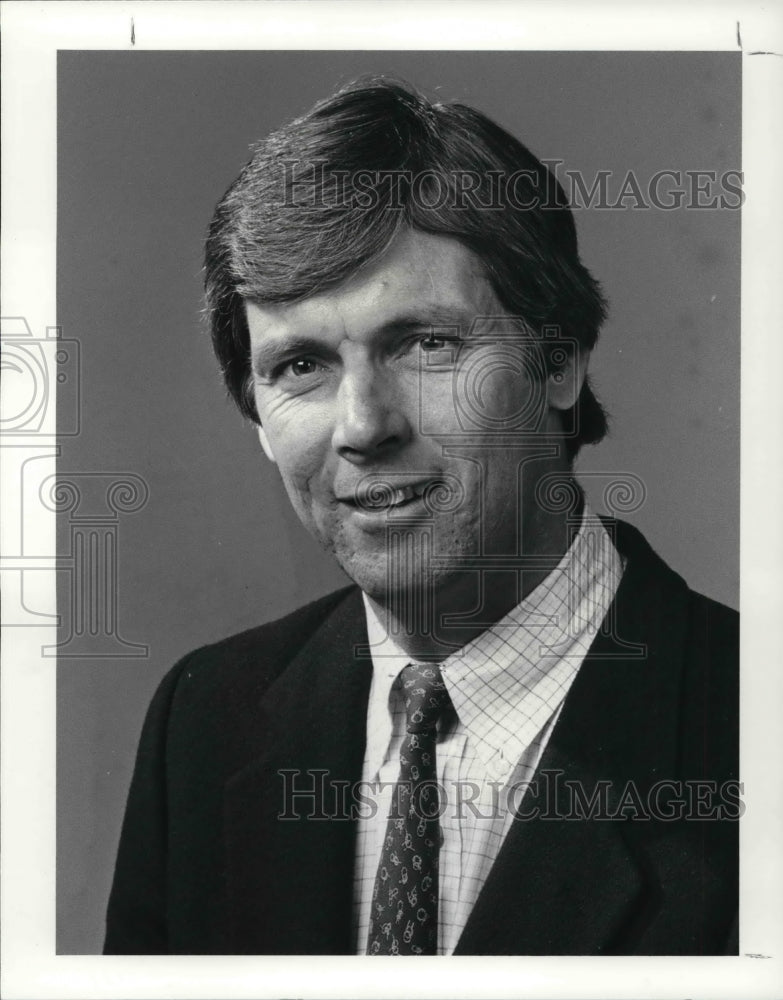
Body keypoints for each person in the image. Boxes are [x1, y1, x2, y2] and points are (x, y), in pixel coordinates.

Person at [104, 78, 739, 956]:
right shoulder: (205, 719)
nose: (363, 426)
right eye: (299, 366)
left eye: (425, 343)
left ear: (559, 366)